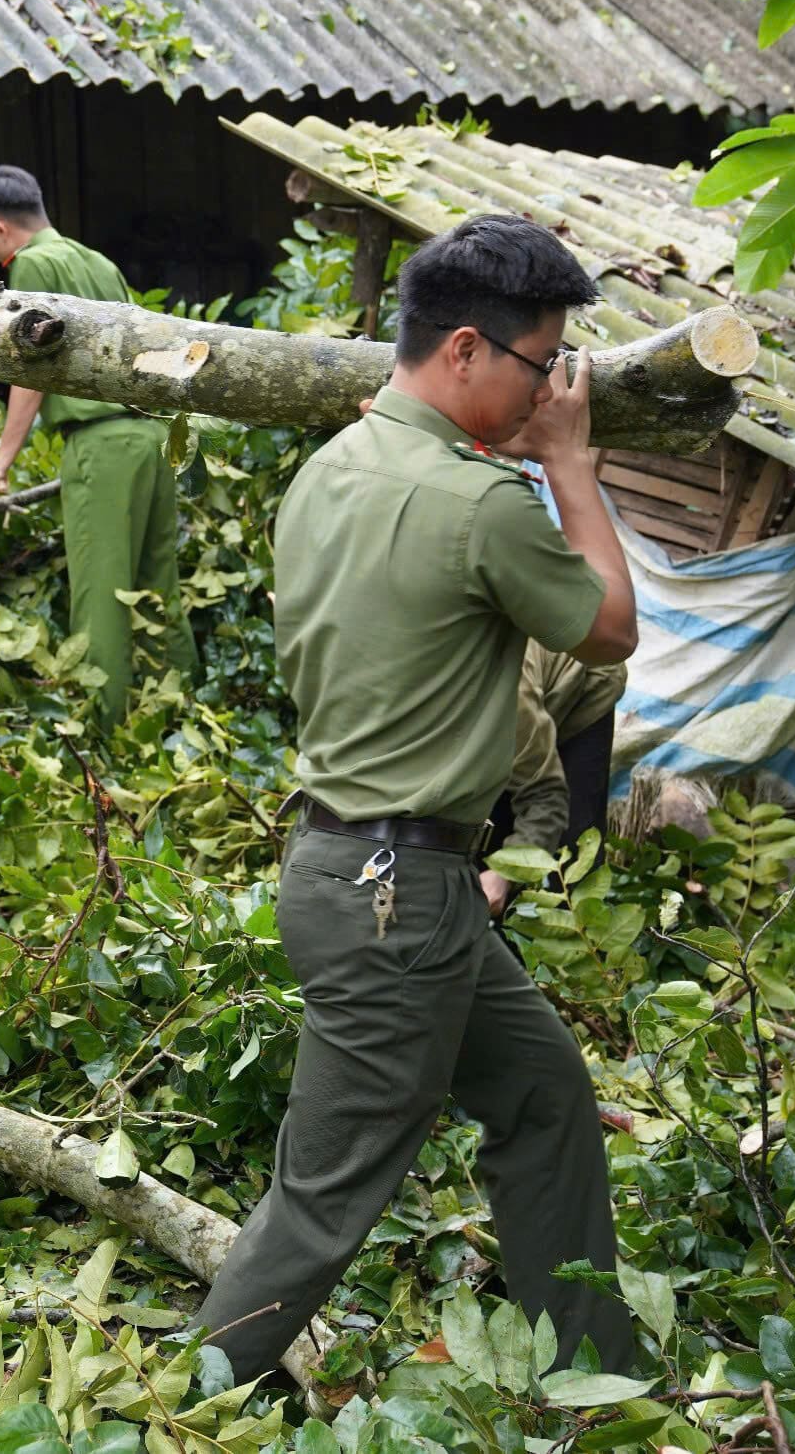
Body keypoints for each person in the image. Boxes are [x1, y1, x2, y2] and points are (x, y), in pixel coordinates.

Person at [193, 214, 639, 1386]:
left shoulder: (332, 469)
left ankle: (591, 1376)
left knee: (545, 1097)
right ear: (463, 350)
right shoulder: (481, 503)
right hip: (400, 900)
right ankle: (173, 1406)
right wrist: (572, 468)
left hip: (368, 881)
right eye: (539, 365)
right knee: (324, 1199)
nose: (548, 390)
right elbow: (607, 628)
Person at [0, 165, 195, 728]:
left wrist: (0, 461)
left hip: (101, 446)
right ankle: (187, 721)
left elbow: (31, 367)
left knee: (102, 598)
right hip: (150, 437)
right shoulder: (99, 263)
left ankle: (100, 739)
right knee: (160, 586)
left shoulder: (33, 264)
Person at [491, 641, 629, 873]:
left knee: (576, 847)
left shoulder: (510, 697)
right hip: (510, 704)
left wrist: (506, 873)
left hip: (584, 674)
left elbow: (544, 795)